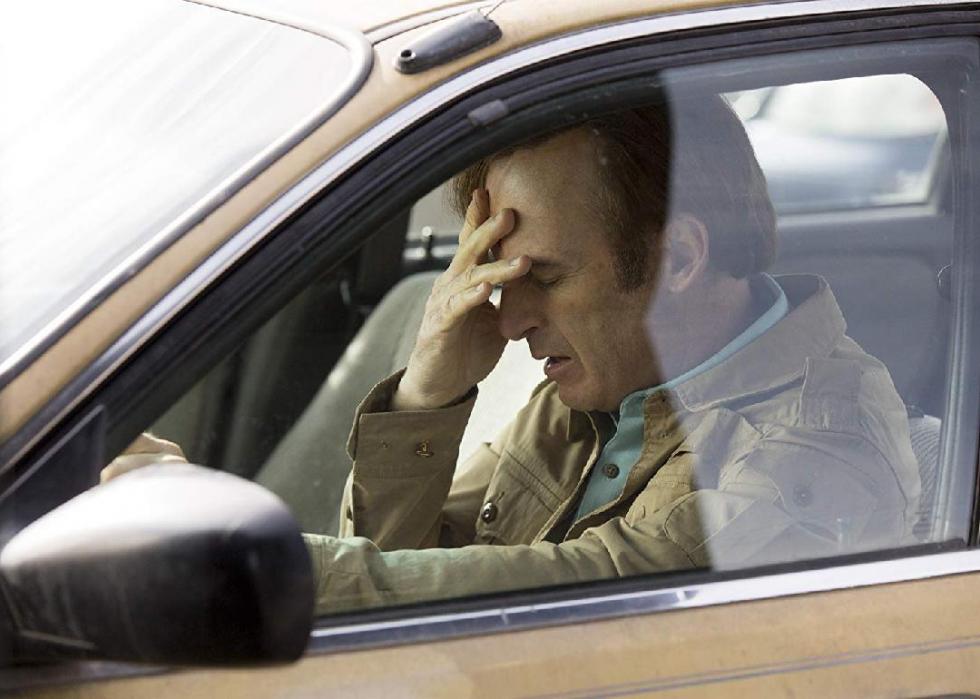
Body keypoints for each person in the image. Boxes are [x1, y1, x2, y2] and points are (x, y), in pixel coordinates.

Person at [106, 95, 921, 614]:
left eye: (545, 277)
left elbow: (577, 598)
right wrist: (428, 392)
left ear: (678, 257)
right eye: (499, 276)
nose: (510, 319)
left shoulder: (820, 446)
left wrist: (232, 557)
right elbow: (402, 576)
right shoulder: (616, 383)